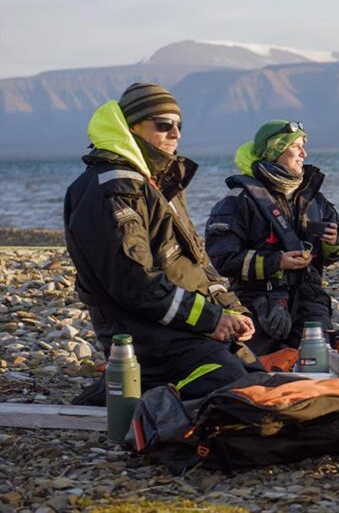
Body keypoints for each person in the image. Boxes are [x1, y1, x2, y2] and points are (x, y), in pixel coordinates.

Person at [64, 83, 256, 402]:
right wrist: (210, 320)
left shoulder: (158, 185)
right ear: (131, 128)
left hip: (183, 329)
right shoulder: (112, 190)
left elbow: (194, 264)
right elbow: (134, 283)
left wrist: (231, 310)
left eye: (179, 125)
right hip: (147, 340)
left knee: (259, 379)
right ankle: (121, 391)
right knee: (234, 390)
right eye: (164, 125)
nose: (175, 134)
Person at [205, 120, 339, 356]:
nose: (304, 153)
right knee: (251, 371)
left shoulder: (314, 197)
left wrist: (333, 242)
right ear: (275, 150)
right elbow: (223, 259)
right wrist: (277, 261)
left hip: (309, 300)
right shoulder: (238, 200)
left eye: (304, 146)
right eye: (296, 146)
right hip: (258, 302)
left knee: (319, 367)